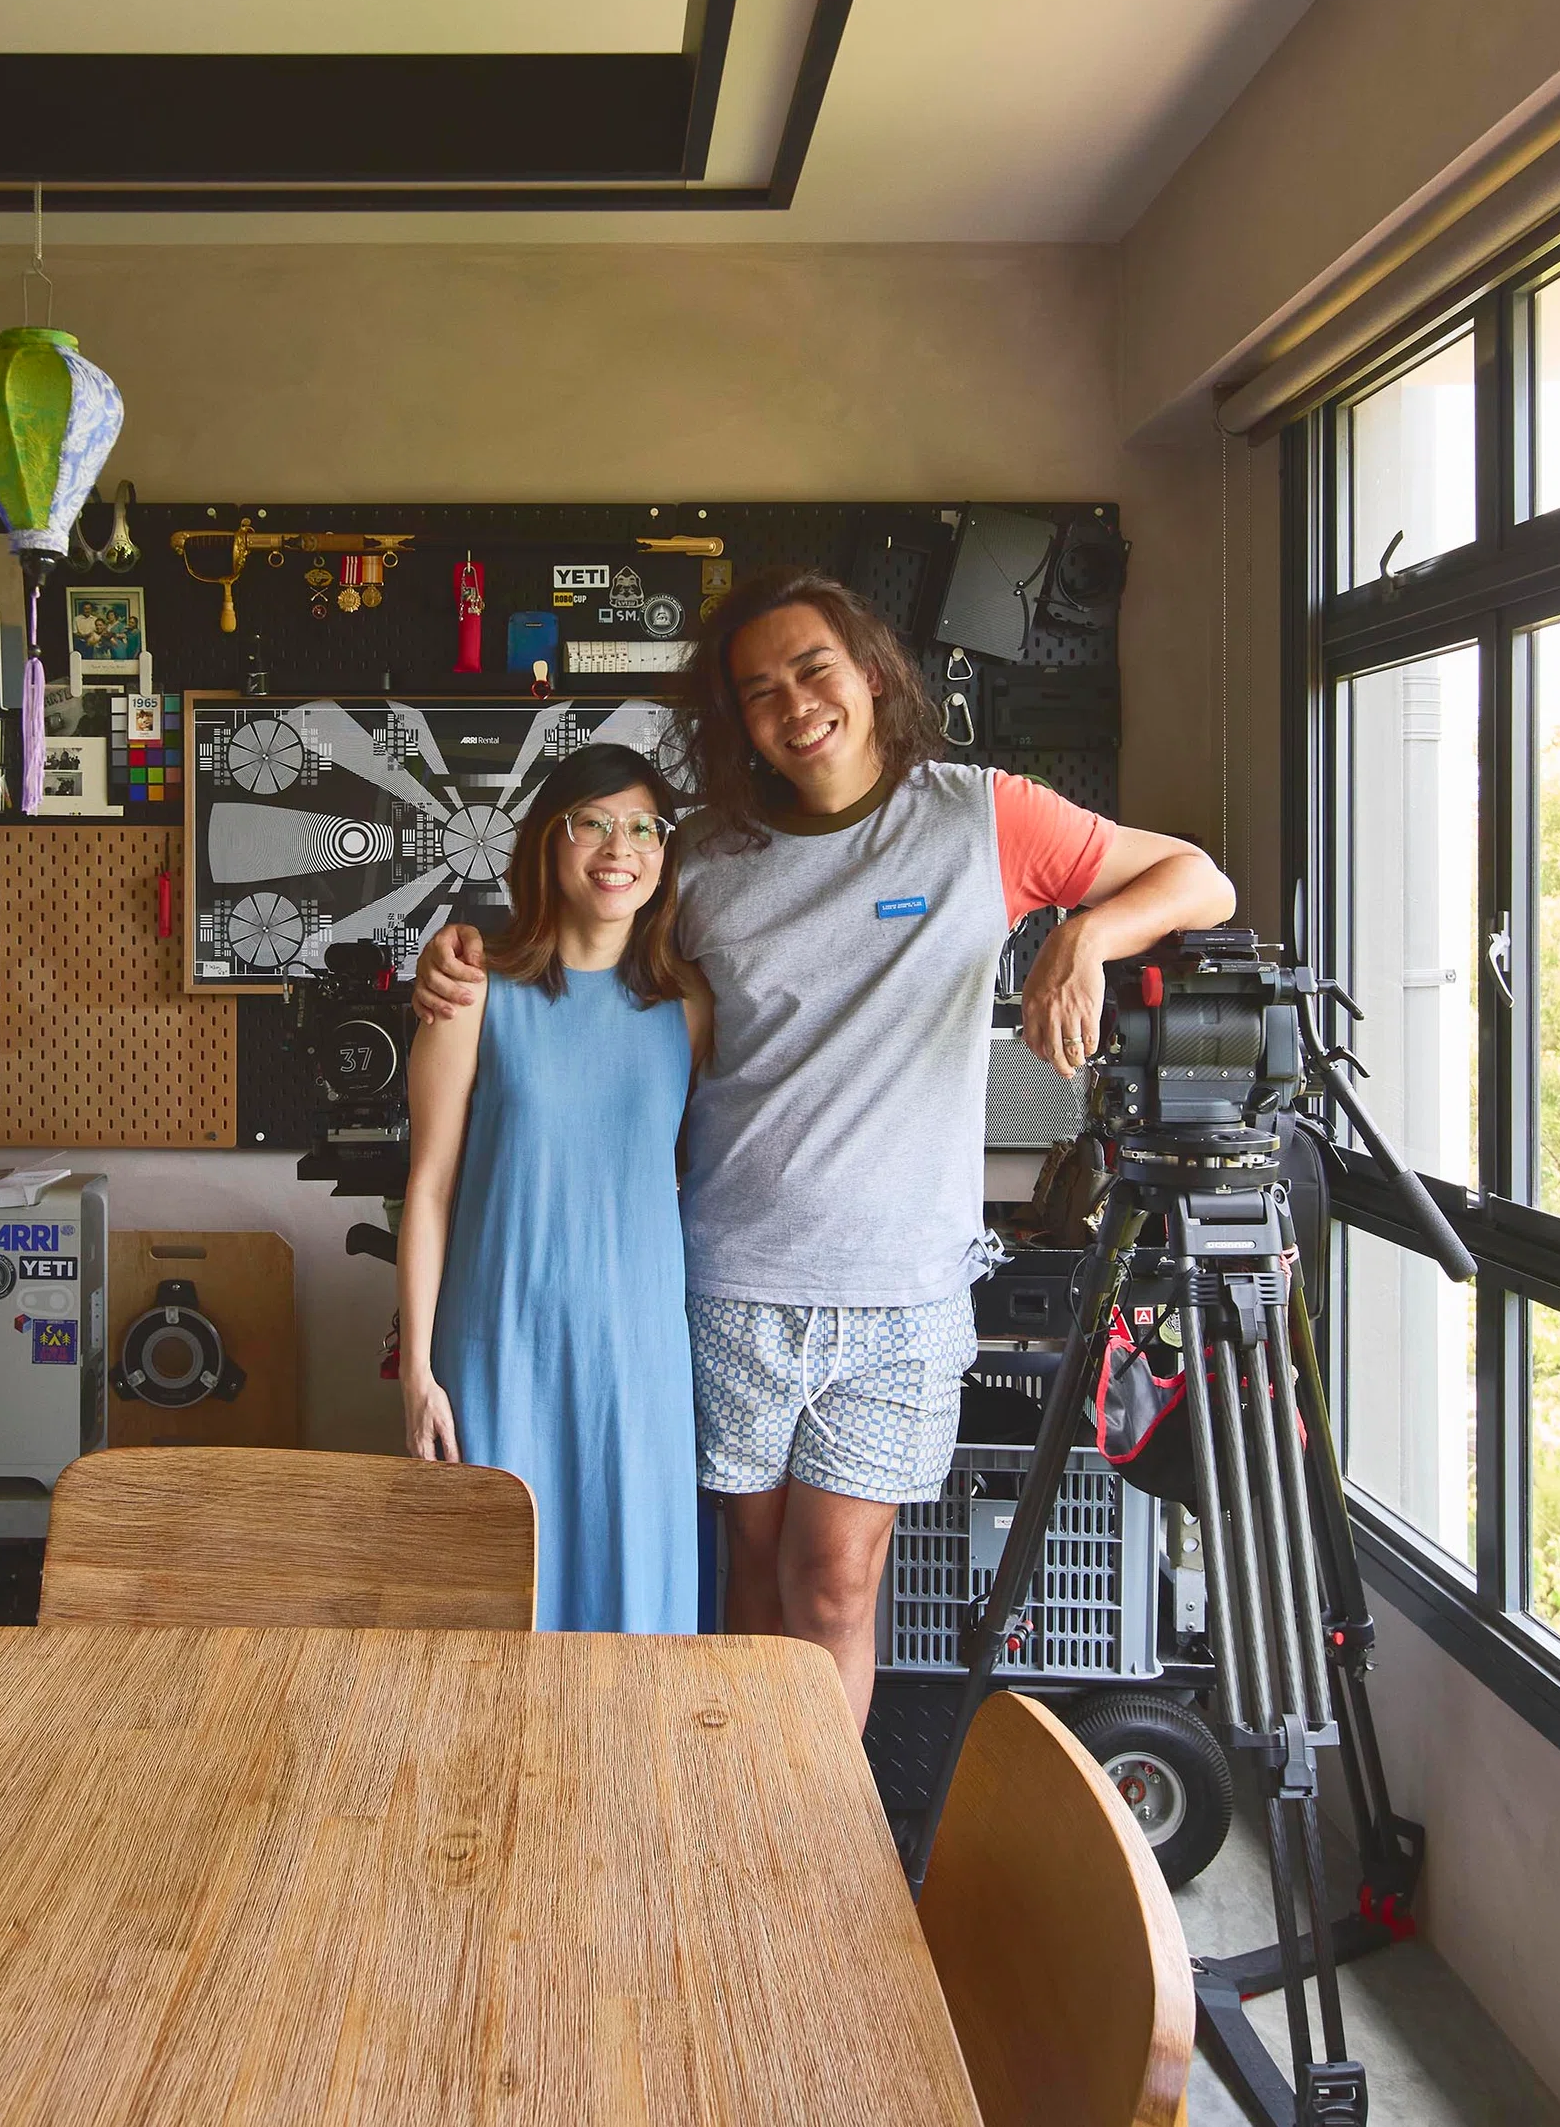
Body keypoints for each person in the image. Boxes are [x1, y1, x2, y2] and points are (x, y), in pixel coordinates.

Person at [415, 569, 1234, 1719]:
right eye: (757, 691)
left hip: (901, 1295)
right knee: (748, 1582)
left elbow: (1198, 876)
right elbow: (587, 939)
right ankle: (746, 1817)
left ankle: (821, 1843)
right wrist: (462, 953)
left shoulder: (980, 817)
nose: (794, 703)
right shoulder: (701, 857)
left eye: (813, 669)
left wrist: (1086, 935)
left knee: (838, 1585)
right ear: (734, 722)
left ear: (869, 670)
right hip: (729, 1282)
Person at [400, 741, 712, 1635]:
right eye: (593, 823)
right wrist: (417, 1373)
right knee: (495, 1611)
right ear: (547, 840)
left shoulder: (688, 1008)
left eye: (643, 827)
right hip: (501, 1348)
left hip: (639, 1361)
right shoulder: (472, 989)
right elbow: (427, 1190)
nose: (621, 847)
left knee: (635, 1614)